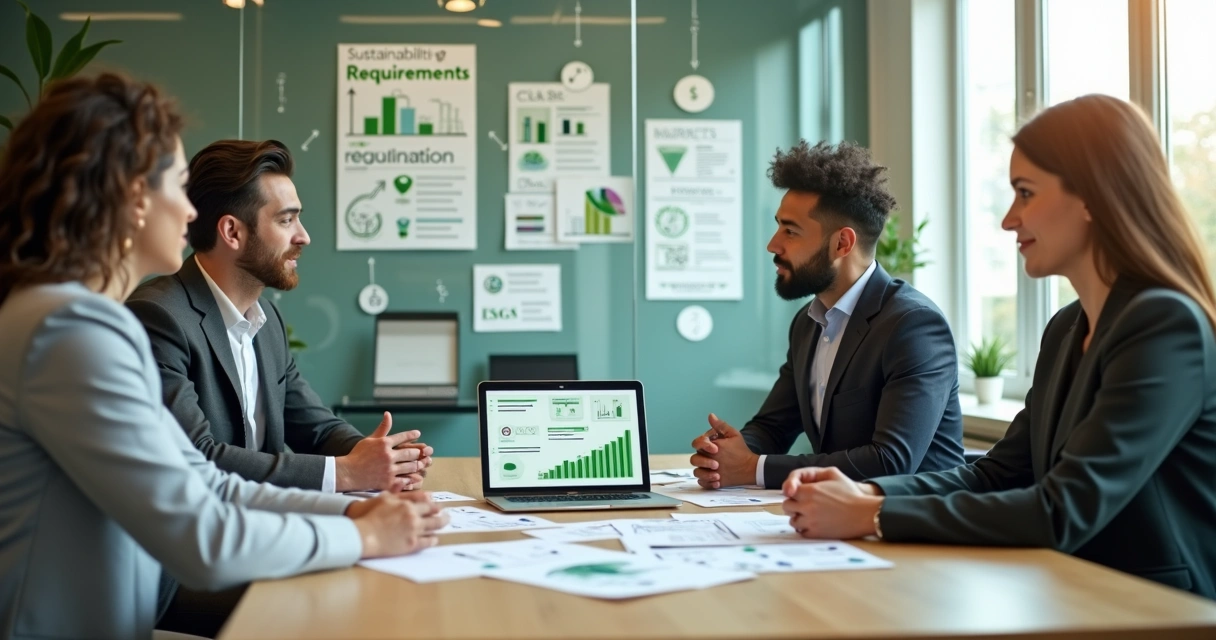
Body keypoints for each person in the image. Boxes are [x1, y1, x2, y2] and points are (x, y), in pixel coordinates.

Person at [0, 73, 448, 640]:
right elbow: (201, 534)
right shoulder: (69, 330)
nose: (191, 213)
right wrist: (363, 537)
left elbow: (206, 484)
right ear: (135, 196)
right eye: (179, 187)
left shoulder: (71, 319)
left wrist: (349, 512)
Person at [781, 95, 1216, 600]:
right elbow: (1000, 473)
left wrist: (874, 513)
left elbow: (1063, 509)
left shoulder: (1164, 325)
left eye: (1025, 193)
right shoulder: (1066, 328)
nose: (1009, 219)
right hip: (1075, 595)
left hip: (1156, 611)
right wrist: (869, 491)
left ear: (1093, 197)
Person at [127, 139, 432, 494]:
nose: (303, 236)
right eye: (286, 220)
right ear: (232, 232)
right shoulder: (159, 317)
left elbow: (313, 426)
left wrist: (380, 456)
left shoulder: (265, 319)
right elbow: (195, 457)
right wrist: (346, 473)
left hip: (266, 520)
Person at [690, 141, 964, 490]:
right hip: (838, 521)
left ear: (842, 244)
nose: (773, 245)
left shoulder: (913, 325)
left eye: (790, 231)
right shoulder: (808, 322)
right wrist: (727, 453)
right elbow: (773, 427)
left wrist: (752, 468)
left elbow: (891, 461)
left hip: (916, 527)